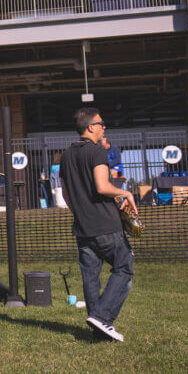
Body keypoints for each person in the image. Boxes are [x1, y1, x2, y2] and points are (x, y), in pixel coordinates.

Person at [60, 107, 138, 343]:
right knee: (124, 268)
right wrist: (126, 193)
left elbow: (66, 195)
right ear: (91, 127)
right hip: (105, 224)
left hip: (82, 227)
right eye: (102, 123)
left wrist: (81, 213)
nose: (105, 128)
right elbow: (102, 187)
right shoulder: (96, 152)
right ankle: (103, 317)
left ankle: (98, 329)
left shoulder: (66, 155)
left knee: (91, 278)